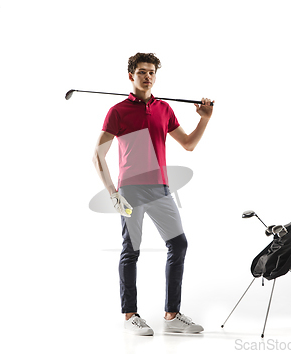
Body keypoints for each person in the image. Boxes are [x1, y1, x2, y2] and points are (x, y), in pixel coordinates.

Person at [92, 53, 214, 336]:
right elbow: (98, 154)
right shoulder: (118, 111)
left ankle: (171, 315)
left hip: (160, 188)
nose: (148, 77)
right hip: (130, 190)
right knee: (131, 251)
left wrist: (204, 120)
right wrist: (112, 191)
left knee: (179, 245)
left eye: (151, 72)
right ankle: (130, 315)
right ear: (131, 76)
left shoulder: (164, 109)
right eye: (142, 72)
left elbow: (188, 144)